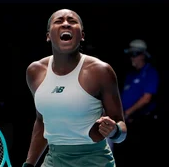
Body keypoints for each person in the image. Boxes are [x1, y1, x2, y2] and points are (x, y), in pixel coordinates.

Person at [22, 9, 127, 167]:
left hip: (94, 161)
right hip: (54, 160)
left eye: (72, 21)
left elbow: (121, 127)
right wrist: (29, 164)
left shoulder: (100, 71)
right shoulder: (34, 72)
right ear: (48, 36)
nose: (65, 24)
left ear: (82, 35)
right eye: (59, 21)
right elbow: (42, 120)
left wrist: (115, 131)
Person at [114, 39, 160, 167]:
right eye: (130, 54)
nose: (131, 58)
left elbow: (147, 98)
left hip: (143, 123)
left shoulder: (150, 72)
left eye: (134, 54)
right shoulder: (131, 75)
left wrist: (127, 113)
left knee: (140, 156)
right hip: (128, 123)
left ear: (142, 55)